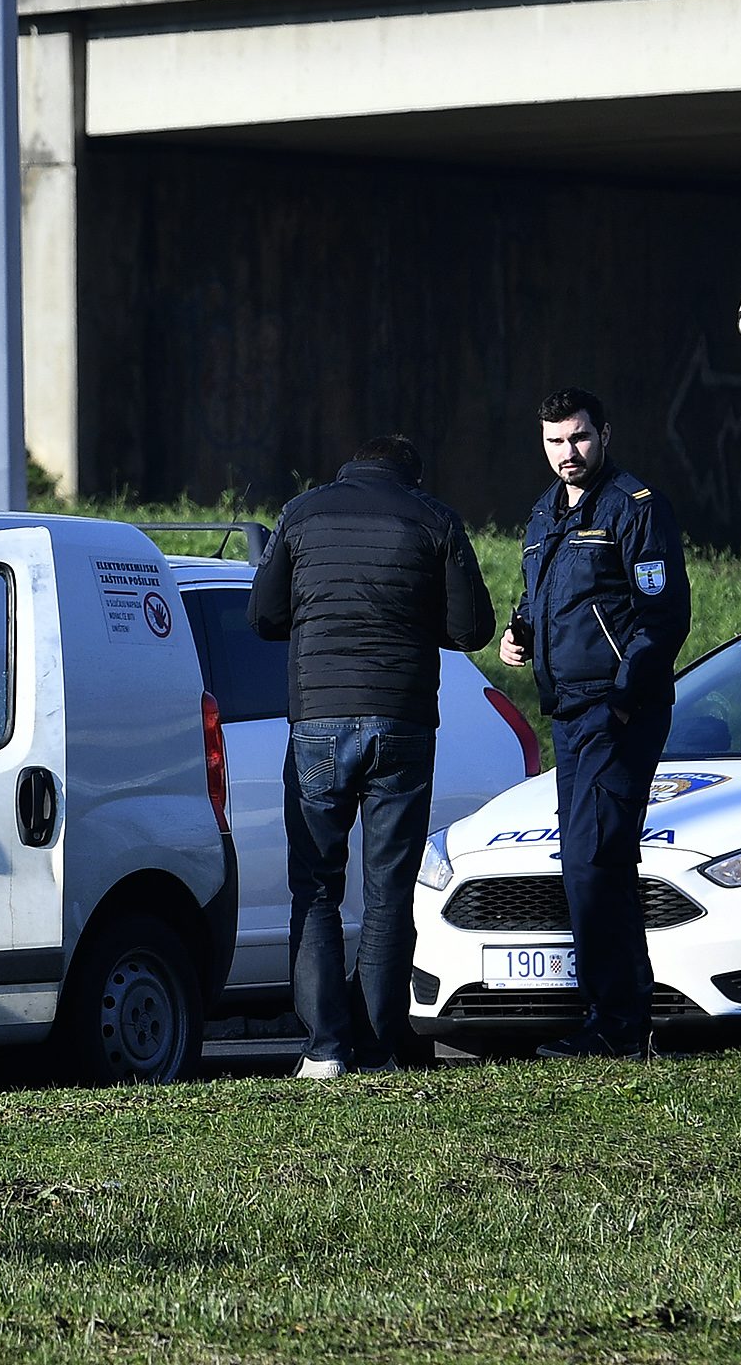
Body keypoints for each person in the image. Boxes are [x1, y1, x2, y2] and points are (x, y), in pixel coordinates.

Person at [249, 434, 494, 1079]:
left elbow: (263, 615)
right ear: (411, 475)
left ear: (349, 467)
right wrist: (413, 621)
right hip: (404, 721)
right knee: (389, 891)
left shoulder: (303, 514)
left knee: (317, 885)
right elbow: (473, 629)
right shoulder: (434, 518)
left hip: (320, 722)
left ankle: (325, 1047)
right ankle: (380, 1047)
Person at [503, 387, 691, 1060]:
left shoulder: (634, 509)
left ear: (603, 435)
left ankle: (615, 1024)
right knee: (591, 863)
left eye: (578, 438)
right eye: (555, 441)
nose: (567, 453)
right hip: (569, 711)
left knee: (593, 861)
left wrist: (619, 700)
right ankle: (616, 1020)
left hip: (618, 711)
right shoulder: (543, 513)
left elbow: (661, 619)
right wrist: (516, 634)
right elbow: (538, 599)